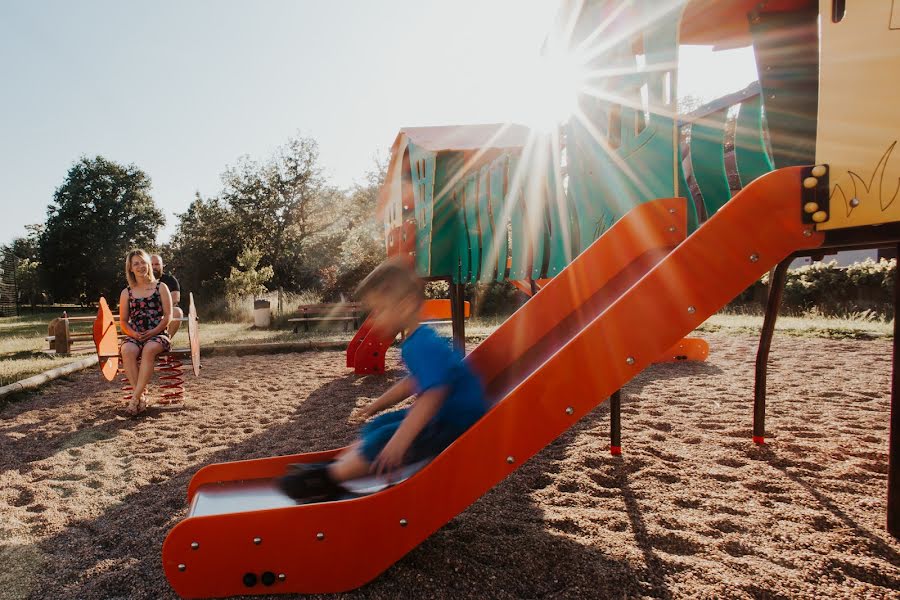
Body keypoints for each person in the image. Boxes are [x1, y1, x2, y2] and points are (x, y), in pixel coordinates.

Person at [278, 257, 487, 501]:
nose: (375, 318)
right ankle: (336, 466)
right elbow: (414, 382)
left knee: (384, 438)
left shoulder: (422, 345)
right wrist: (378, 405)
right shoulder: (420, 337)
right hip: (447, 413)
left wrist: (400, 441)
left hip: (454, 421)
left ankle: (327, 478)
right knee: (380, 425)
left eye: (380, 309)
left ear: (406, 305)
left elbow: (434, 393)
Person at [119, 249, 173, 416]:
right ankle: (140, 397)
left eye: (143, 262)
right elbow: (123, 321)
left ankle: (134, 399)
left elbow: (168, 315)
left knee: (149, 349)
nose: (141, 266)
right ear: (130, 268)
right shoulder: (126, 292)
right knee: (126, 350)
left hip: (158, 333)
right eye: (136, 263)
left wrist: (154, 331)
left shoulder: (161, 287)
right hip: (136, 334)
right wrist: (133, 334)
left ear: (148, 264)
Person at [150, 254, 183, 338]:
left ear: (162, 266)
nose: (154, 267)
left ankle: (166, 339)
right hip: (146, 313)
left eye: (157, 264)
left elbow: (175, 299)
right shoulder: (142, 281)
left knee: (177, 312)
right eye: (151, 264)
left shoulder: (170, 280)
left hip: (165, 312)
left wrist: (157, 310)